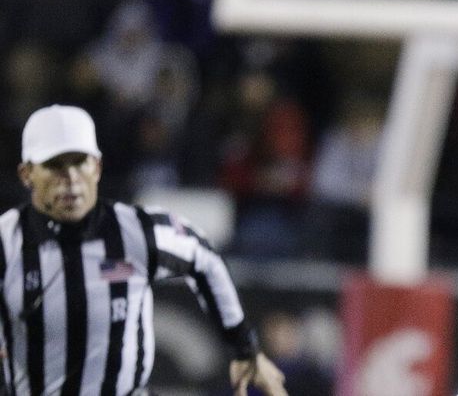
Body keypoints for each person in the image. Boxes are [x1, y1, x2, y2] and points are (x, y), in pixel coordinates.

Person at [1, 104, 288, 395]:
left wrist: (244, 347)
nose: (71, 176)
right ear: (27, 175)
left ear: (97, 167)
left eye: (80, 162)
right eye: (55, 165)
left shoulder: (138, 231)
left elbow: (205, 260)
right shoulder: (5, 243)